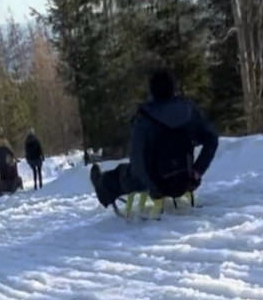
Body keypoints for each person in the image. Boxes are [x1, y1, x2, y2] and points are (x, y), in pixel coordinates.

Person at [89, 69, 218, 210]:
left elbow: (137, 159)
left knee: (122, 175)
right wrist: (198, 170)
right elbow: (211, 138)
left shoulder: (145, 118)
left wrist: (152, 186)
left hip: (157, 183)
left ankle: (101, 184)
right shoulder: (189, 112)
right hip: (185, 179)